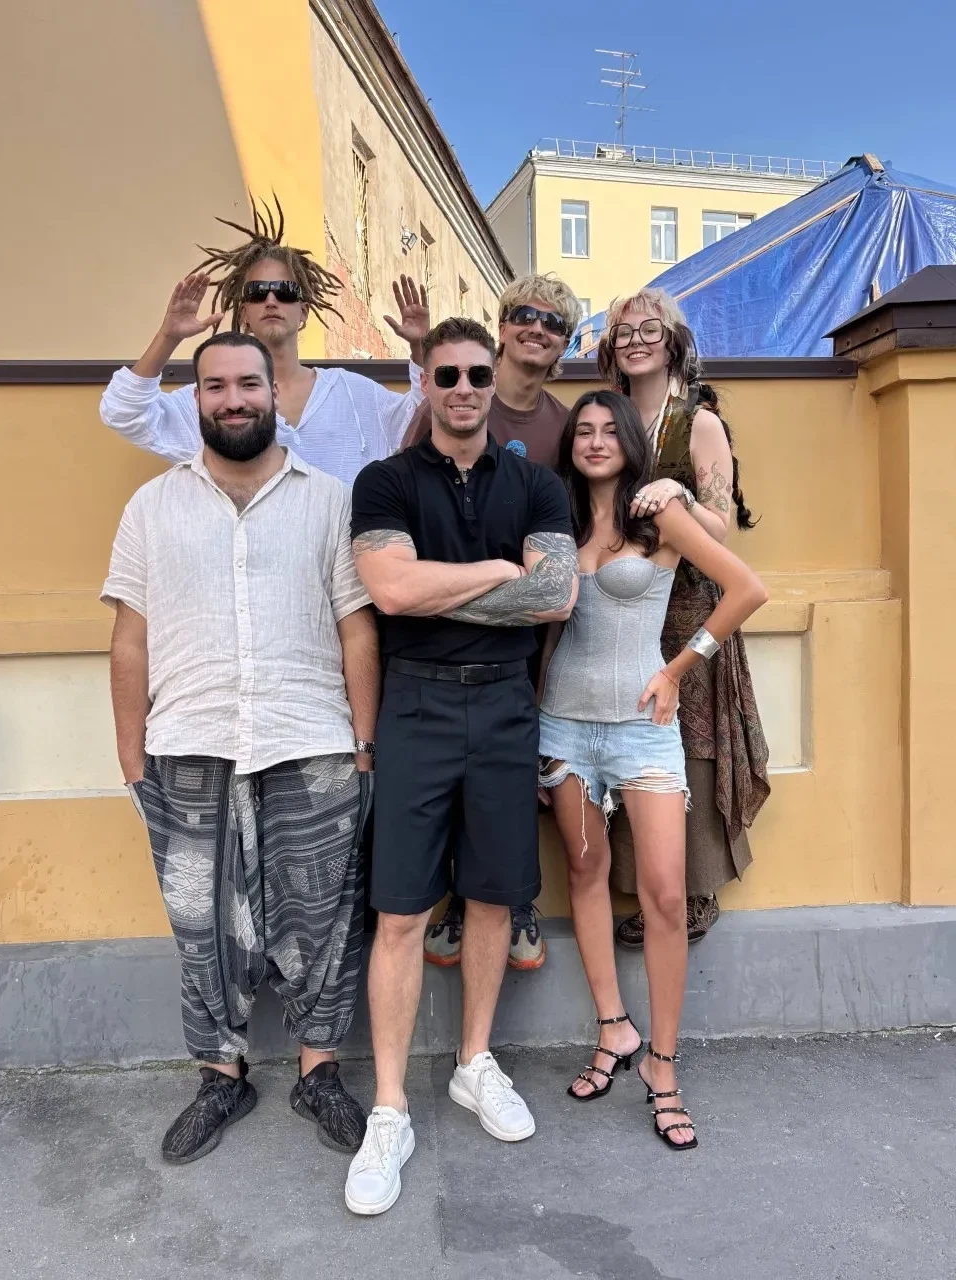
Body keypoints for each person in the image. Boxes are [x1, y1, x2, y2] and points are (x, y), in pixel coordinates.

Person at [102, 331, 380, 1164]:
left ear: (272, 393)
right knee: (202, 926)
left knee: (325, 918)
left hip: (313, 739)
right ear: (197, 400)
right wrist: (130, 759)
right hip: (187, 744)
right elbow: (128, 640)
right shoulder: (151, 508)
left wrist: (365, 743)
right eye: (216, 386)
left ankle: (318, 1073)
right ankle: (220, 1077)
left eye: (248, 384)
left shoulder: (330, 500)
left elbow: (356, 628)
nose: (233, 399)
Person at [344, 317, 578, 1215]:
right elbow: (390, 590)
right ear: (428, 382)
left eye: (478, 373)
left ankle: (474, 1062)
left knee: (490, 896)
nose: (465, 388)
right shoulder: (386, 480)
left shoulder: (536, 483)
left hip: (507, 707)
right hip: (416, 704)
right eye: (446, 374)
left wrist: (441, 588)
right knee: (402, 910)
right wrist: (496, 569)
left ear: (494, 376)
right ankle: (390, 1108)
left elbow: (555, 595)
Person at [538, 389, 767, 1150]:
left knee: (666, 895)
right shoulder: (557, 520)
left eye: (610, 429)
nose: (596, 441)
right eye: (583, 431)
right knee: (585, 873)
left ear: (630, 442)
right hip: (563, 727)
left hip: (643, 731)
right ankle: (614, 1029)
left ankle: (662, 1065)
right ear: (571, 444)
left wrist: (676, 670)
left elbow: (747, 590)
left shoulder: (658, 514)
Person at [404, 272, 584, 971]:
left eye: (555, 322)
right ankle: (460, 896)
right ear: (503, 325)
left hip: (531, 630)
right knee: (451, 764)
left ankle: (512, 899)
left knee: (517, 760)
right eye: (526, 314)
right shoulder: (451, 399)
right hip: (439, 633)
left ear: (565, 344)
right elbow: (410, 517)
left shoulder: (564, 425)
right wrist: (452, 589)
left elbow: (566, 542)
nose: (538, 328)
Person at [597, 289, 770, 947]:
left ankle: (693, 892)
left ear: (673, 342)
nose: (636, 340)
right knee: (631, 741)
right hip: (623, 605)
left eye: (650, 329)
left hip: (689, 609)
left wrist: (678, 494)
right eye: (623, 332)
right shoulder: (612, 419)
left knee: (687, 748)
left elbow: (719, 528)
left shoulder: (698, 423)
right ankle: (650, 886)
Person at [100, 195, 429, 484]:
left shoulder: (354, 395)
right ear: (244, 312)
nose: (271, 300)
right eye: (258, 292)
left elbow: (421, 420)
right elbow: (123, 412)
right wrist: (168, 337)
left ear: (303, 311)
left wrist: (420, 347)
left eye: (285, 291)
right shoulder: (222, 400)